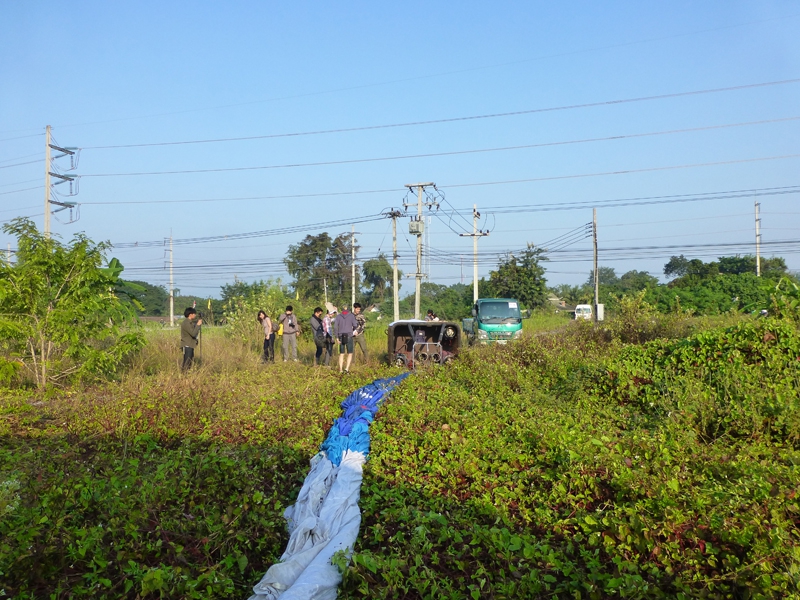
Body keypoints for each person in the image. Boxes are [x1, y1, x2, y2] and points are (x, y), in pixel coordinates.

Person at [334, 305, 358, 373]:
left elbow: (335, 327)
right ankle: (346, 369)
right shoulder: (351, 316)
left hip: (341, 336)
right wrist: (354, 330)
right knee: (350, 353)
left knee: (341, 353)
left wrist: (337, 337)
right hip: (349, 336)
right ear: (348, 309)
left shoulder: (338, 316)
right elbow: (355, 325)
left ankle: (341, 369)